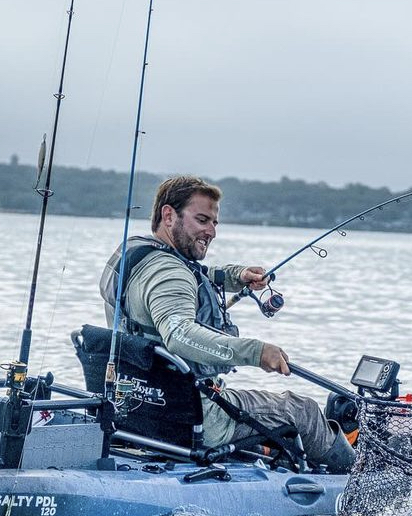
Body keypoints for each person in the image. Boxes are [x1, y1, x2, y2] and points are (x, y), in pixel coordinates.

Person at [98, 174, 355, 473]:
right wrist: (256, 352)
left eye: (215, 223)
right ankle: (358, 481)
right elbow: (179, 335)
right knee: (305, 412)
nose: (211, 231)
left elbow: (186, 278)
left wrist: (236, 275)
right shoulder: (170, 273)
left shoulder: (133, 253)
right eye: (202, 220)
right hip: (197, 416)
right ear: (169, 215)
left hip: (139, 408)